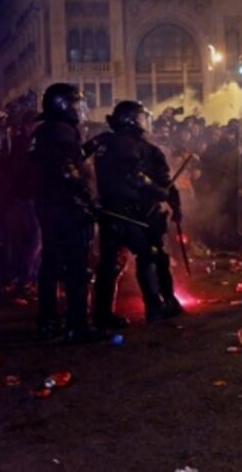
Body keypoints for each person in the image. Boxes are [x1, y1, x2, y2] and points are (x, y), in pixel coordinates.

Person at [86, 101, 184, 325]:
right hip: (136, 214)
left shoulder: (103, 142)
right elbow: (136, 177)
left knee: (109, 264)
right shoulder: (139, 147)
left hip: (109, 213)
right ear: (132, 120)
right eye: (141, 117)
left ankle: (102, 314)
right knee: (149, 257)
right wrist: (161, 193)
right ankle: (156, 306)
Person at [30, 83, 97, 342]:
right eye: (73, 104)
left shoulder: (45, 131)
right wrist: (86, 199)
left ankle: (47, 321)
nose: (78, 109)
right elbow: (68, 170)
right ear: (62, 105)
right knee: (76, 267)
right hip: (65, 207)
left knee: (50, 264)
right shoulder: (62, 130)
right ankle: (77, 325)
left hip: (48, 205)